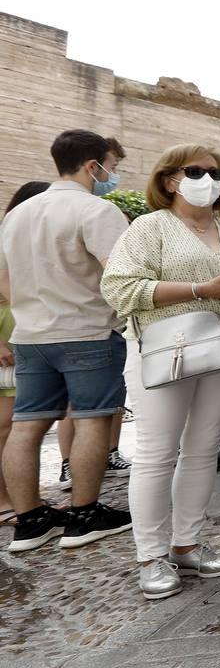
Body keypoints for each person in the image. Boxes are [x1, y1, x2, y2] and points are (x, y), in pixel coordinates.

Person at [101, 144, 220, 600]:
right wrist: (200, 287)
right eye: (196, 171)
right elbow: (120, 287)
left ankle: (186, 543)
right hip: (164, 348)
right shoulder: (150, 227)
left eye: (216, 173)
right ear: (170, 179)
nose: (209, 179)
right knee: (156, 453)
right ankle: (150, 556)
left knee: (203, 449)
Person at [0, 131, 132, 554]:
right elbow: (119, 277)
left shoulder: (18, 214)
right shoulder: (97, 210)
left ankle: (30, 521)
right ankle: (84, 514)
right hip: (87, 331)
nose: (113, 174)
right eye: (112, 165)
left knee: (27, 425)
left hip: (31, 333)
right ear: (94, 165)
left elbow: (3, 281)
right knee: (93, 419)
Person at [0, 181, 53, 526]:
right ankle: (5, 502)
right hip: (7, 341)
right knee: (5, 427)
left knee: (23, 424)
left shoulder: (33, 245)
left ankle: (26, 499)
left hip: (29, 339)